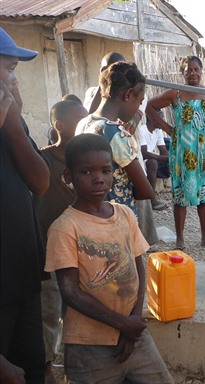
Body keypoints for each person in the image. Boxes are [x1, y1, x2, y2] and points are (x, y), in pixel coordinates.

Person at [44, 133, 173, 382]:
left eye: (105, 170)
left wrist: (132, 324)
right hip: (89, 344)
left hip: (134, 335)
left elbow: (138, 268)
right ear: (68, 177)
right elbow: (70, 292)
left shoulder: (124, 214)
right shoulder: (65, 227)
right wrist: (122, 324)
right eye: (87, 172)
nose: (99, 179)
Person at [0, 27, 50, 383]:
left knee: (31, 368)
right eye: (9, 70)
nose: (15, 82)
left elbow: (40, 181)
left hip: (22, 274)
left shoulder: (10, 122)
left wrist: (13, 124)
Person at [146, 56, 205, 251]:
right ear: (182, 73)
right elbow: (150, 106)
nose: (193, 73)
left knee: (204, 194)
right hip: (182, 151)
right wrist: (168, 129)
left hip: (204, 152)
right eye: (188, 70)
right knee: (180, 194)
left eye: (196, 69)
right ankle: (180, 240)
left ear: (202, 71)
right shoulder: (175, 94)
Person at [33, 99, 88, 383]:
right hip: (47, 252)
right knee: (48, 312)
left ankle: (74, 368)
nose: (86, 123)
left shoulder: (85, 162)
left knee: (77, 311)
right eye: (80, 120)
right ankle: (44, 369)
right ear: (60, 126)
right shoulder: (41, 160)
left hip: (78, 250)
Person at [76, 61, 154, 213]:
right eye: (139, 101)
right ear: (128, 94)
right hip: (116, 217)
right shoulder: (116, 134)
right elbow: (146, 191)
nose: (138, 107)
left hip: (90, 213)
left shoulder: (83, 123)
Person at [140, 112, 169, 210]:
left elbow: (163, 151)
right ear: (152, 118)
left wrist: (171, 159)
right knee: (153, 162)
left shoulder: (158, 131)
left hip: (150, 159)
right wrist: (164, 158)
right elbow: (144, 153)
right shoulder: (142, 130)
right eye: (161, 118)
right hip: (139, 161)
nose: (163, 121)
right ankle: (152, 199)